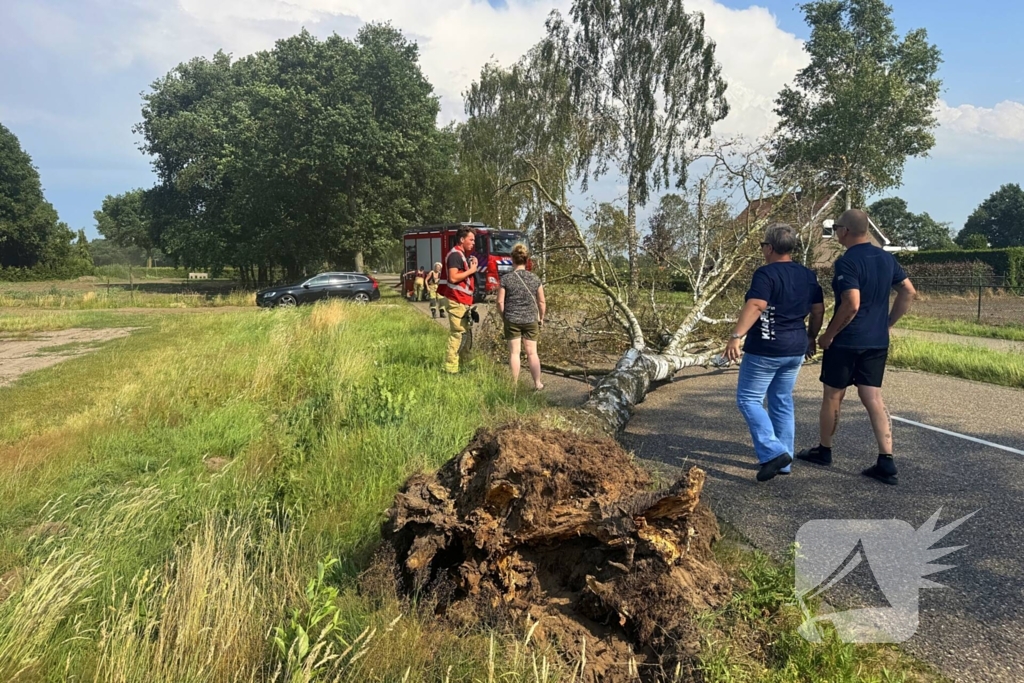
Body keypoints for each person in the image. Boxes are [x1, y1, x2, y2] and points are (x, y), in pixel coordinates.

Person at [796, 209, 917, 485]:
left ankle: (823, 450)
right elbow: (909, 291)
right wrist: (887, 323)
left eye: (837, 227)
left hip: (847, 341)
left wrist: (828, 335)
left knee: (833, 396)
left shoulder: (847, 262)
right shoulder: (887, 258)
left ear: (845, 231)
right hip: (877, 340)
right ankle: (886, 460)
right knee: (873, 397)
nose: (836, 232)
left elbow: (852, 303)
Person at [725, 224, 825, 482]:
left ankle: (773, 452)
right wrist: (811, 337)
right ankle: (785, 459)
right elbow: (817, 310)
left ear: (769, 247)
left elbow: (757, 304)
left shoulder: (766, 274)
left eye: (762, 246)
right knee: (781, 399)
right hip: (795, 347)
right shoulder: (807, 275)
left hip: (767, 347)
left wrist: (736, 336)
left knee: (748, 399)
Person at [497, 244, 546, 390]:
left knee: (514, 353)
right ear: (526, 260)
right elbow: (542, 302)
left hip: (512, 319)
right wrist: (541, 317)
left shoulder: (506, 279)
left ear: (512, 259)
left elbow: (499, 302)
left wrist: (504, 316)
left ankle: (514, 385)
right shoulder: (535, 279)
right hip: (531, 319)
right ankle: (537, 383)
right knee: (532, 352)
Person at [440, 227, 479, 374]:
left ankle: (467, 366)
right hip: (457, 301)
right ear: (462, 240)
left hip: (463, 301)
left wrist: (471, 264)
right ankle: (450, 370)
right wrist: (472, 270)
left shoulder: (460, 255)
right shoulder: (455, 255)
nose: (473, 243)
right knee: (458, 335)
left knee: (466, 334)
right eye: (471, 239)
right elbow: (454, 277)